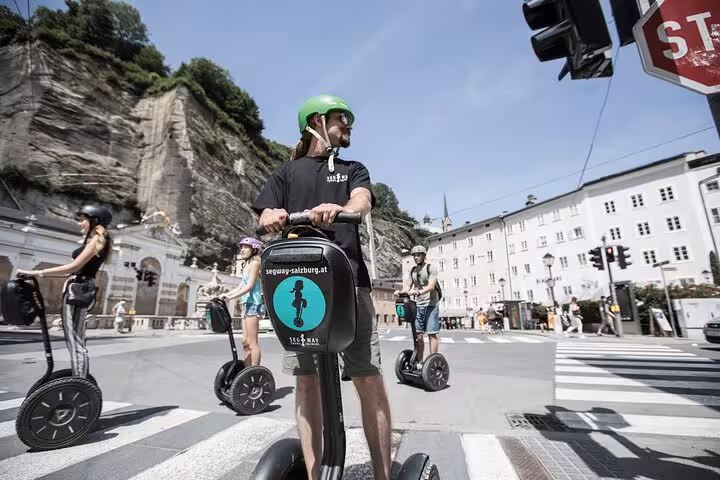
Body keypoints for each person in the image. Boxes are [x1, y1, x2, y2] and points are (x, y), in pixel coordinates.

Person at [251, 94, 392, 480]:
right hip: (298, 284)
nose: (349, 124)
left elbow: (362, 200)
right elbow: (263, 212)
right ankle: (316, 474)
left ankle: (383, 475)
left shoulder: (352, 169)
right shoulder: (286, 172)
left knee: (367, 377)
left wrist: (343, 206)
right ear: (316, 120)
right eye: (342, 117)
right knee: (307, 383)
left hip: (348, 284)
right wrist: (273, 215)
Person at [17, 205, 112, 378]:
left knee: (75, 341)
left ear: (95, 221)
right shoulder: (94, 240)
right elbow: (72, 271)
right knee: (74, 340)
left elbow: (75, 266)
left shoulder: (97, 240)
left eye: (84, 220)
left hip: (79, 290)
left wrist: (37, 272)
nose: (81, 223)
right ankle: (79, 380)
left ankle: (80, 383)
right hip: (78, 287)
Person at [394, 245, 440, 362]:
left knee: (431, 334)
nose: (416, 257)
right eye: (414, 255)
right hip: (419, 305)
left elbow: (431, 286)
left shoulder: (431, 268)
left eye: (418, 255)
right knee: (418, 336)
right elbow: (407, 286)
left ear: (424, 256)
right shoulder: (413, 271)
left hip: (431, 304)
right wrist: (400, 291)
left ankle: (432, 361)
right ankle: (419, 362)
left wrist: (419, 292)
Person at [223, 237, 264, 366]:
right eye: (242, 247)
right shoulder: (247, 265)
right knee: (245, 342)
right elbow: (241, 286)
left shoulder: (256, 263)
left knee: (252, 343)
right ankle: (246, 372)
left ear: (254, 249)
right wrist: (225, 294)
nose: (243, 250)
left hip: (253, 304)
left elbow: (249, 286)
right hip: (246, 305)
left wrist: (231, 298)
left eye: (246, 247)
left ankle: (255, 372)